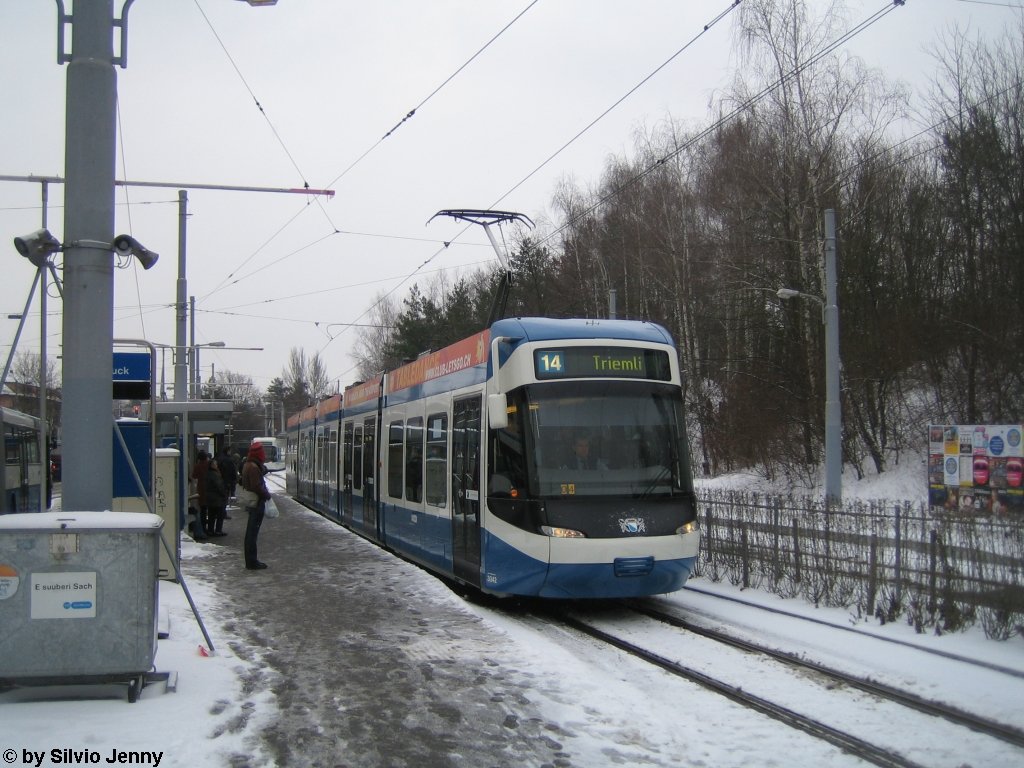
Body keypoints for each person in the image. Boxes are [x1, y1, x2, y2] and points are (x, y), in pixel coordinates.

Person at [239, 442, 273, 570]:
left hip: (252, 502)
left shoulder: (248, 465)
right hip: (256, 503)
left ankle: (251, 560)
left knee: (251, 533)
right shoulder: (253, 467)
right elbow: (256, 486)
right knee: (252, 533)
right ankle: (252, 561)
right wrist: (267, 495)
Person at [205, 459, 229, 537]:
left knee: (211, 515)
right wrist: (224, 494)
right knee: (220, 515)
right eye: (215, 464)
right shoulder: (215, 474)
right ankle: (218, 530)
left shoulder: (208, 473)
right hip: (217, 497)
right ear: (212, 465)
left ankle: (210, 530)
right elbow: (219, 486)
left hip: (210, 497)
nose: (217, 465)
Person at [191, 450, 211, 538]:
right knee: (210, 510)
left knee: (202, 510)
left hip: (201, 489)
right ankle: (210, 527)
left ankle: (203, 528)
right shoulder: (209, 464)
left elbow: (194, 476)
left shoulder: (197, 466)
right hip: (210, 488)